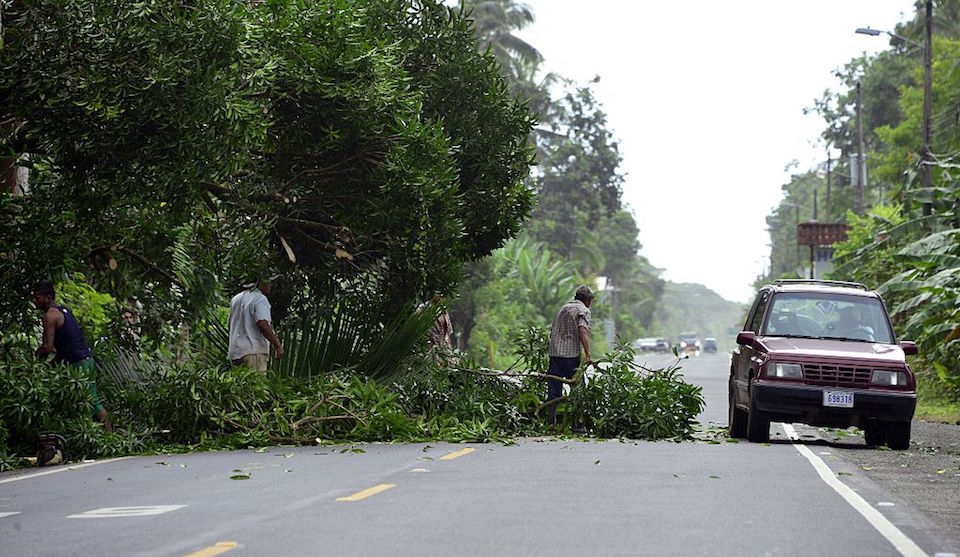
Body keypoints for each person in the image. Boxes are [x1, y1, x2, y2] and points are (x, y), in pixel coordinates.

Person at [31, 281, 112, 431]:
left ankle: (107, 436)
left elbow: (48, 348)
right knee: (90, 402)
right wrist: (51, 365)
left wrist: (34, 359)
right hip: (86, 361)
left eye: (37, 298)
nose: (35, 301)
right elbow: (65, 346)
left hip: (78, 365)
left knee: (89, 402)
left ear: (48, 297)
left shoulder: (50, 316)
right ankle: (105, 436)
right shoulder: (64, 310)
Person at [545, 285, 594, 422]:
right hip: (570, 355)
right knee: (578, 389)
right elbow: (582, 331)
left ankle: (551, 422)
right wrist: (588, 353)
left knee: (554, 390)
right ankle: (577, 423)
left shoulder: (562, 308)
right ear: (587, 300)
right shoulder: (582, 310)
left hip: (554, 354)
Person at [228, 275, 283, 371]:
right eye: (268, 283)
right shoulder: (260, 299)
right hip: (253, 352)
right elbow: (262, 323)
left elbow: (230, 323)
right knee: (255, 384)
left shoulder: (236, 299)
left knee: (240, 384)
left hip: (236, 352)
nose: (270, 286)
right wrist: (277, 344)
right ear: (261, 284)